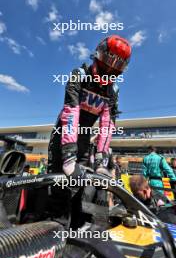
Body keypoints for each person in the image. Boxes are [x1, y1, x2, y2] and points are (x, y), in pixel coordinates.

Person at [48, 35, 132, 178]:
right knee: (56, 185)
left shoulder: (113, 91)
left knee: (80, 188)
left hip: (84, 139)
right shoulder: (79, 75)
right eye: (108, 60)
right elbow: (71, 111)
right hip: (62, 135)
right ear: (97, 54)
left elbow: (107, 124)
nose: (110, 68)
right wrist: (68, 155)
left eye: (117, 65)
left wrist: (101, 161)